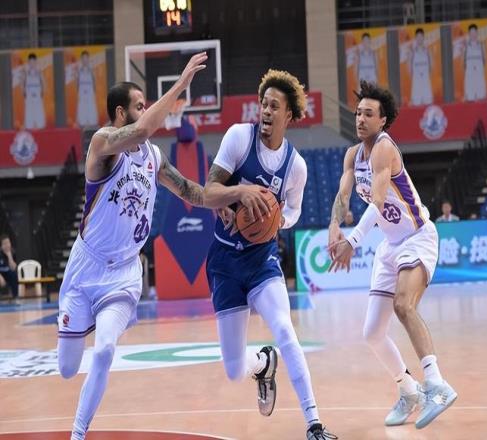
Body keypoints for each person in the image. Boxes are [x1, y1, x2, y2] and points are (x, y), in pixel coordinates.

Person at [57, 52, 208, 440]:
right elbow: (140, 131)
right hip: (86, 267)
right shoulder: (102, 143)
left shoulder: (154, 157)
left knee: (105, 351)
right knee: (67, 368)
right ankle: (81, 321)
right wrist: (180, 85)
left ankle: (77, 434)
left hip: (124, 272)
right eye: (141, 105)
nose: (147, 111)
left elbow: (190, 190)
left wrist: (231, 199)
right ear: (121, 113)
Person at [203, 69, 336, 440]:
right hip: (225, 262)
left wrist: (274, 218)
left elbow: (293, 212)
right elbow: (209, 190)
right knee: (233, 370)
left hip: (261, 261)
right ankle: (262, 363)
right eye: (263, 103)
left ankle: (314, 423)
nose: (265, 111)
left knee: (285, 329)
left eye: (274, 106)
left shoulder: (296, 166)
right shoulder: (238, 138)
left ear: (288, 115)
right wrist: (236, 196)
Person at [328, 81, 457, 430]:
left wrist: (353, 241)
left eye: (368, 114)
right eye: (358, 113)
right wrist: (334, 226)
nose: (360, 119)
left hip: (417, 237)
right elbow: (343, 196)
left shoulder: (385, 149)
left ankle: (437, 384)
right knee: (372, 332)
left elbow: (377, 202)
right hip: (390, 245)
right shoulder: (353, 156)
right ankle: (409, 389)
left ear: (383, 120)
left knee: (403, 306)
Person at [408, 28, 433, 106]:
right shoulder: (412, 51)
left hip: (425, 78)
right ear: (415, 38)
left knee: (428, 102)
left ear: (423, 37)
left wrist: (429, 71)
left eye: (421, 36)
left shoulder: (427, 50)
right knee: (416, 103)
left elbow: (431, 62)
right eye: (418, 37)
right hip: (416, 78)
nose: (419, 39)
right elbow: (409, 63)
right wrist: (410, 72)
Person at [463, 24, 487, 101]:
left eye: (474, 32)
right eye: (471, 32)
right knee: (470, 97)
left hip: (479, 73)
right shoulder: (466, 46)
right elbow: (463, 61)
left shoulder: (482, 45)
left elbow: (485, 59)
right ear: (469, 34)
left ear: (477, 33)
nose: (473, 34)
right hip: (469, 74)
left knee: (481, 96)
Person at [23, 53, 46, 129]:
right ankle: (29, 125)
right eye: (30, 62)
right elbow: (23, 82)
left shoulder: (39, 71)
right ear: (28, 62)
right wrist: (23, 91)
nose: (32, 64)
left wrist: (43, 90)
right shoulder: (26, 72)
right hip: (29, 93)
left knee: (38, 109)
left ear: (36, 62)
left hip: (37, 93)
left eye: (33, 62)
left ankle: (40, 124)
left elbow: (43, 81)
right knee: (29, 110)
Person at [76, 50, 98, 127]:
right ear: (81, 59)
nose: (85, 60)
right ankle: (82, 122)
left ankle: (91, 122)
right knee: (82, 107)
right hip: (82, 93)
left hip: (90, 92)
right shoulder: (79, 71)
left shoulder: (92, 70)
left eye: (86, 58)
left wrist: (93, 91)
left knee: (91, 106)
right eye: (83, 58)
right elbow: (77, 83)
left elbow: (94, 81)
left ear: (88, 59)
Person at [0, 234, 19, 302]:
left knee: (14, 275)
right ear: (1, 246)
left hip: (8, 273)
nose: (7, 245)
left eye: (8, 243)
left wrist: (9, 256)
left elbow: (13, 268)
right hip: (0, 274)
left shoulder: (13, 252)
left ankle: (15, 297)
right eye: (4, 243)